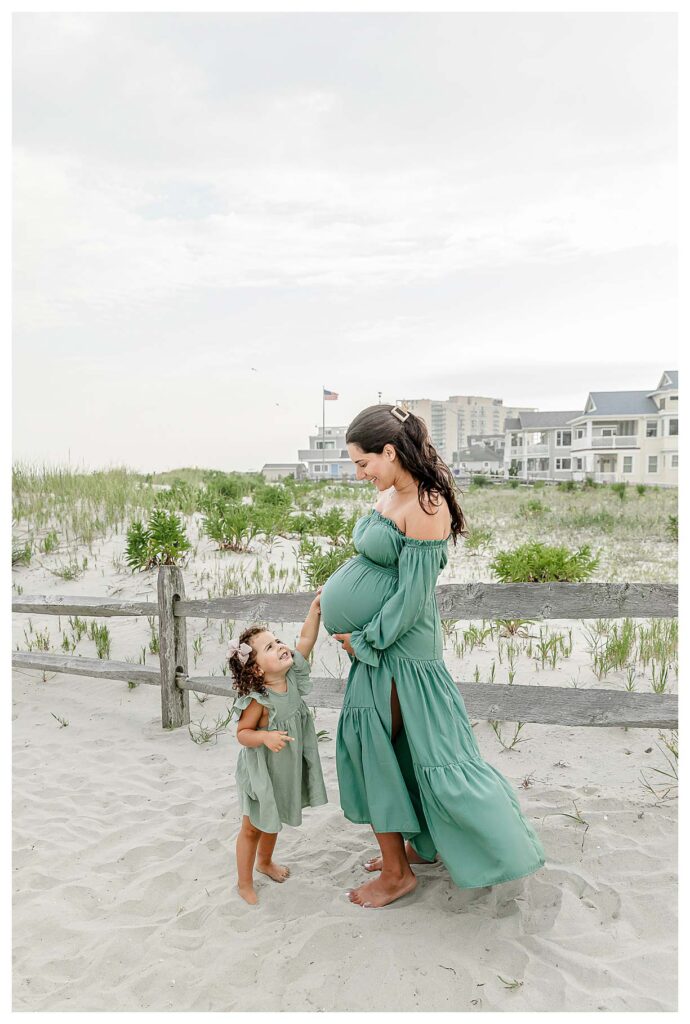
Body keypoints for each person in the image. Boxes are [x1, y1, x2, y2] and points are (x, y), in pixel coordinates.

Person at [319, 404, 546, 909]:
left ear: (390, 451)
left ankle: (398, 874)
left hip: (398, 650)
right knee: (399, 749)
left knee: (373, 748)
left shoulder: (425, 504)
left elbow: (414, 595)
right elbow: (375, 564)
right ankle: (417, 849)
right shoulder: (393, 494)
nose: (359, 473)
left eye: (363, 463)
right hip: (382, 647)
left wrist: (368, 639)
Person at [229, 588, 327, 905]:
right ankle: (245, 882)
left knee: (276, 818)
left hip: (286, 767)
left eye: (278, 641)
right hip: (262, 772)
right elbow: (242, 734)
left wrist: (315, 609)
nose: (282, 647)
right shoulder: (260, 701)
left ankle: (265, 862)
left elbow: (305, 642)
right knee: (251, 828)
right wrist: (265, 736)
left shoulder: (293, 679)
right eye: (270, 647)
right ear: (257, 669)